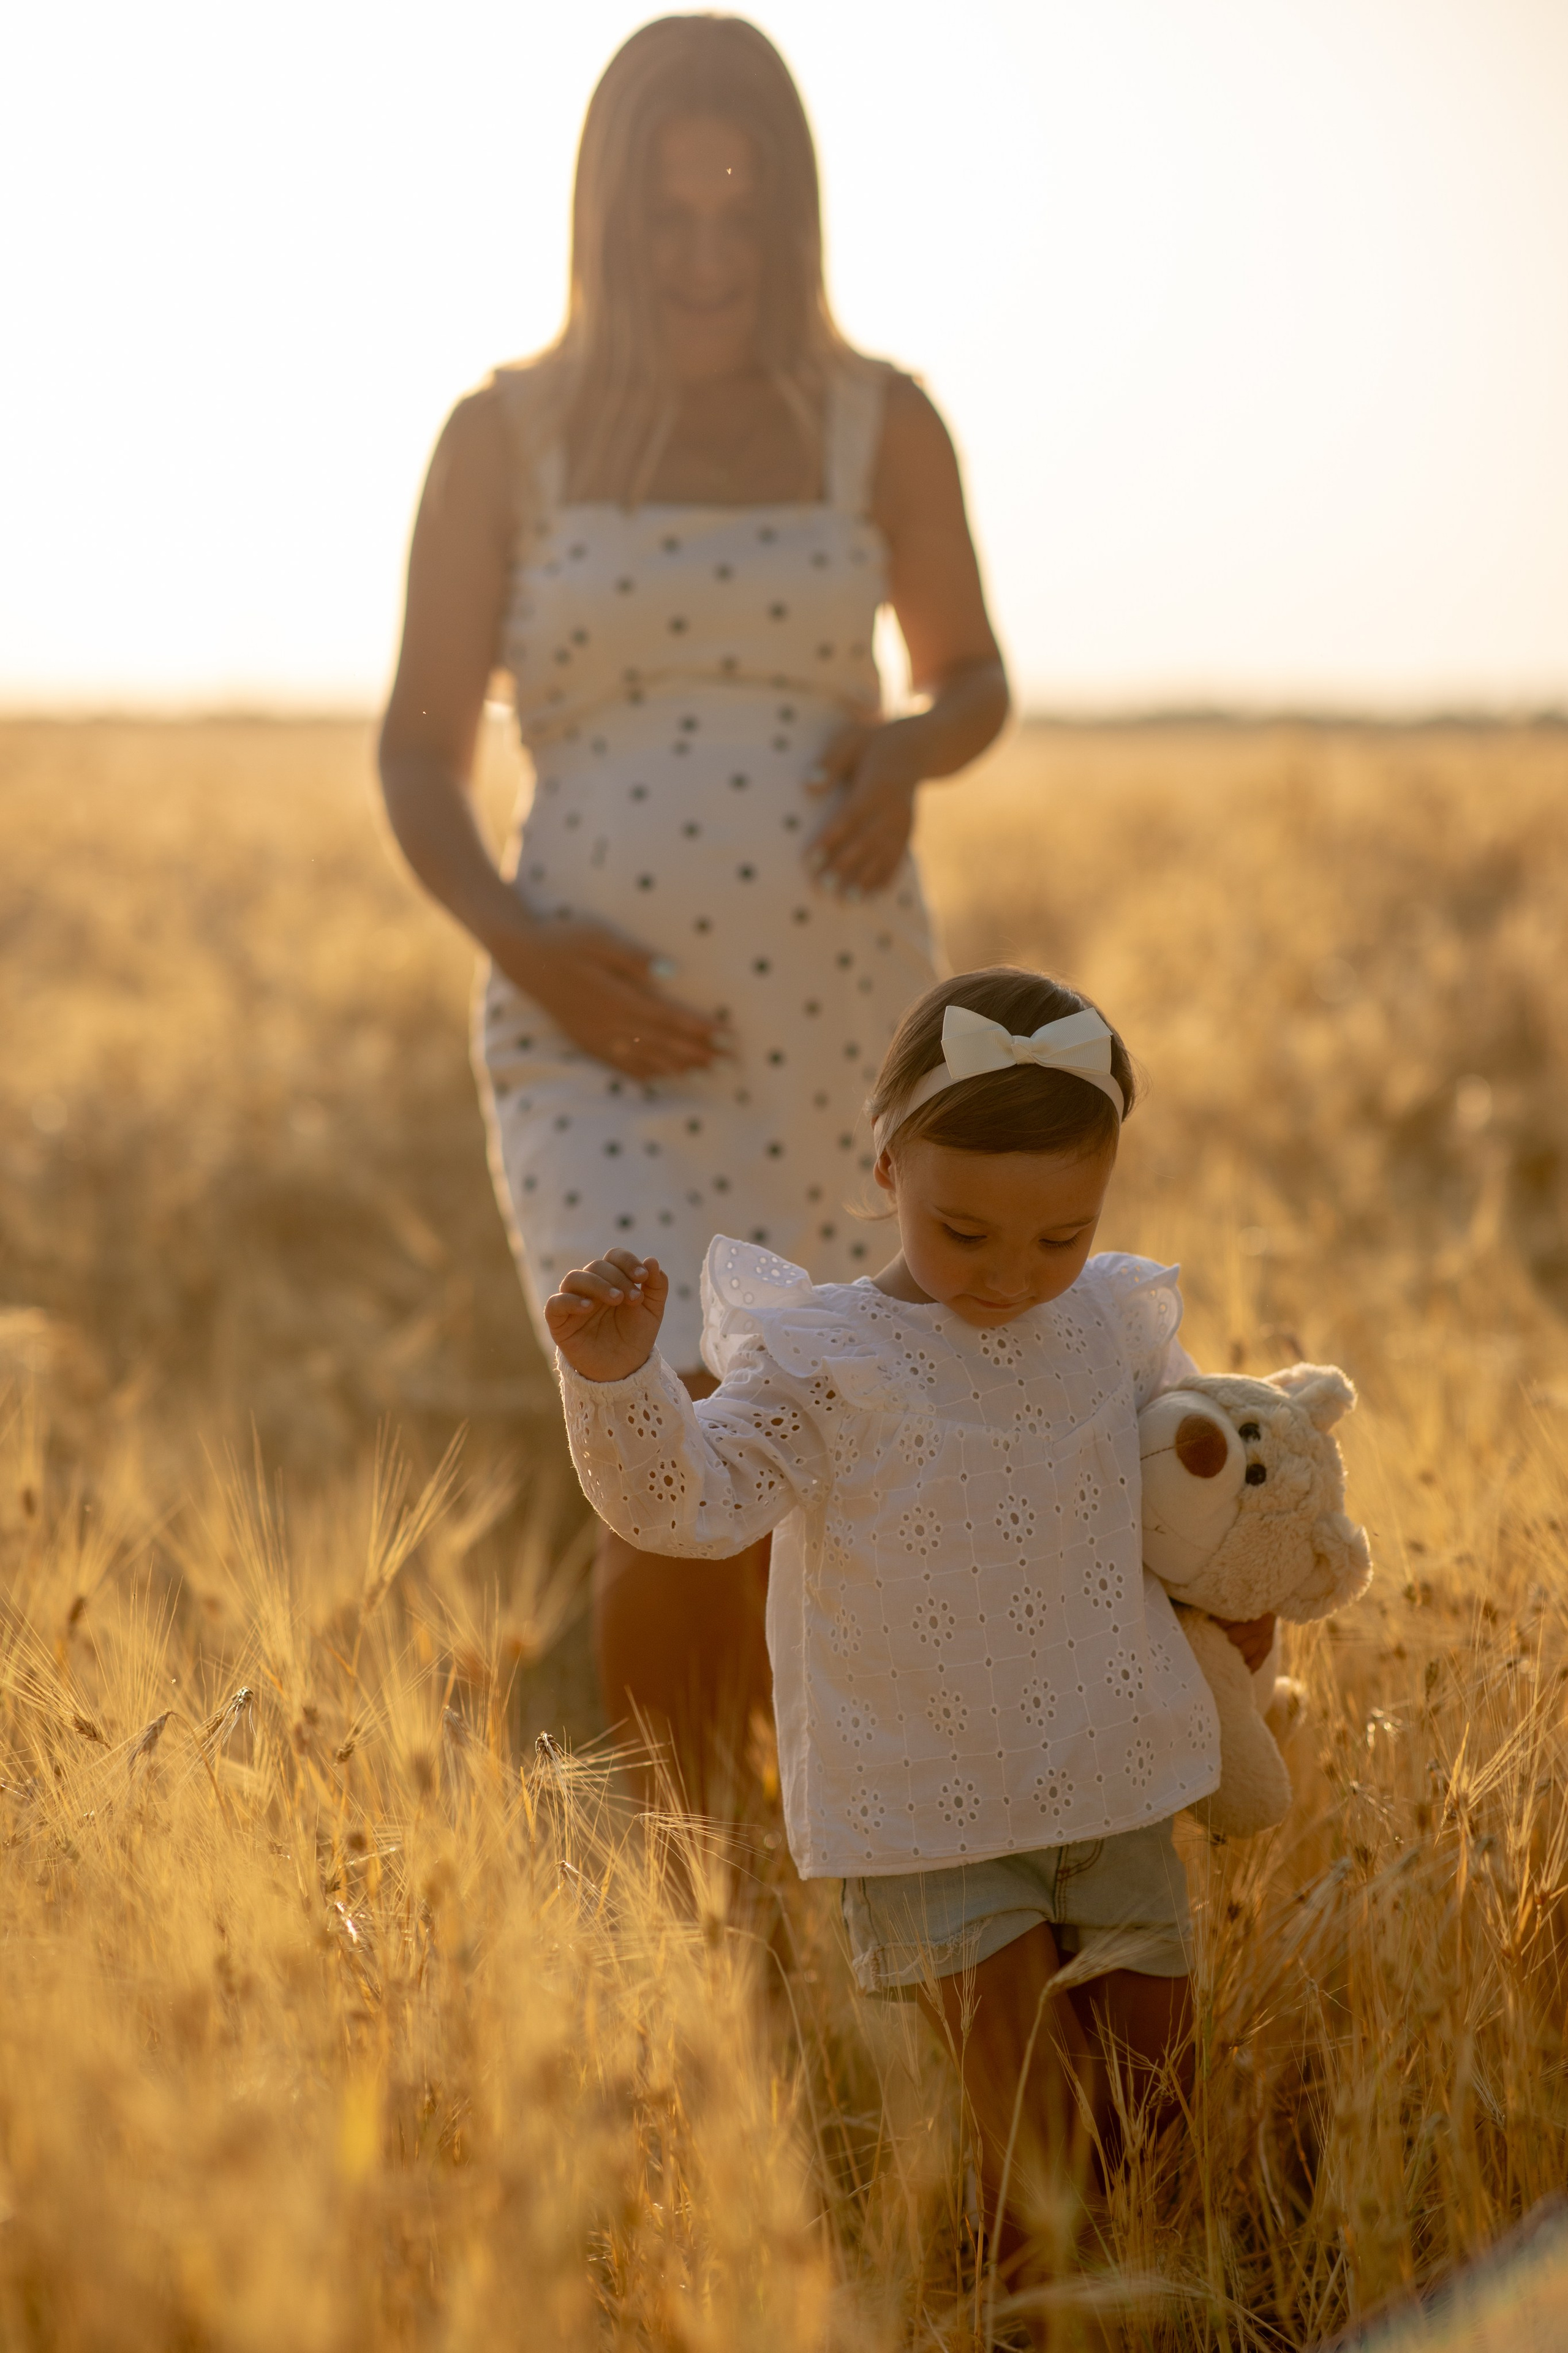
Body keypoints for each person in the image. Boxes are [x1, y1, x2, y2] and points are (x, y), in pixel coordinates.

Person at [378, 14, 1008, 1804]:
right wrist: (525, 946)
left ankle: (807, 1864)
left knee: (816, 1454)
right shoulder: (504, 438)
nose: (709, 257)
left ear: (794, 218)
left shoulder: (879, 422)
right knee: (664, 1453)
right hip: (592, 1035)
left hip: (840, 1032)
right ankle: (684, 1881)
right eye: (669, 218)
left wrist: (909, 746)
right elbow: (417, 754)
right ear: (607, 219)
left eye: (743, 216)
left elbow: (972, 676)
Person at [545, 965, 1277, 2328]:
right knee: (1037, 2132)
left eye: (1060, 1234)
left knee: (1150, 2109)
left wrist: (1244, 1590)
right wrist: (618, 1378)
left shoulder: (1111, 1326)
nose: (1012, 1275)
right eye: (965, 1230)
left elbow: (1188, 1495)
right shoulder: (827, 1358)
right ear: (886, 1165)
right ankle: (1015, 2321)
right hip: (929, 1807)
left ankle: (1115, 2311)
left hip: (1108, 1769)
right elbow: (688, 1506)